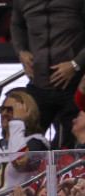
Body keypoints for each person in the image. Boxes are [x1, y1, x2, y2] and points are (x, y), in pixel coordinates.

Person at [11, 0, 85, 148]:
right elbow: (16, 25)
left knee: (74, 147)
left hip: (73, 85)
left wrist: (76, 64)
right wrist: (21, 51)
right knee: (26, 146)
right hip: (38, 84)